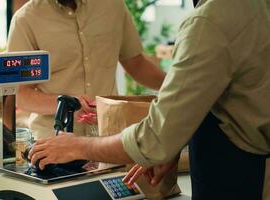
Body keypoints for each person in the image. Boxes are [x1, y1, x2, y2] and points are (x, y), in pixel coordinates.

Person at [29, 0, 270, 199]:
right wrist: (173, 124)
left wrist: (77, 146)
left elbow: (154, 138)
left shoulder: (210, 21)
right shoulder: (251, 8)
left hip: (244, 177)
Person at [7, 0, 166, 139]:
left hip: (109, 138)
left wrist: (181, 86)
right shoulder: (26, 19)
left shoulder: (113, 5)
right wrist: (66, 104)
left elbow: (136, 64)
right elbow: (20, 94)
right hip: (55, 143)